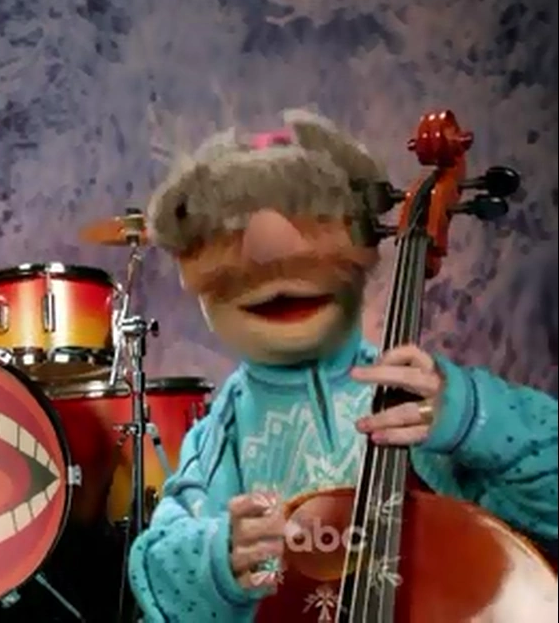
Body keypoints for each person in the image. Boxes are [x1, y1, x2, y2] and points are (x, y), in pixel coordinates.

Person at [126, 110, 558, 621]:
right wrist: (219, 558)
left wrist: (471, 417)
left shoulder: (419, 395)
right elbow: (161, 572)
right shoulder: (226, 430)